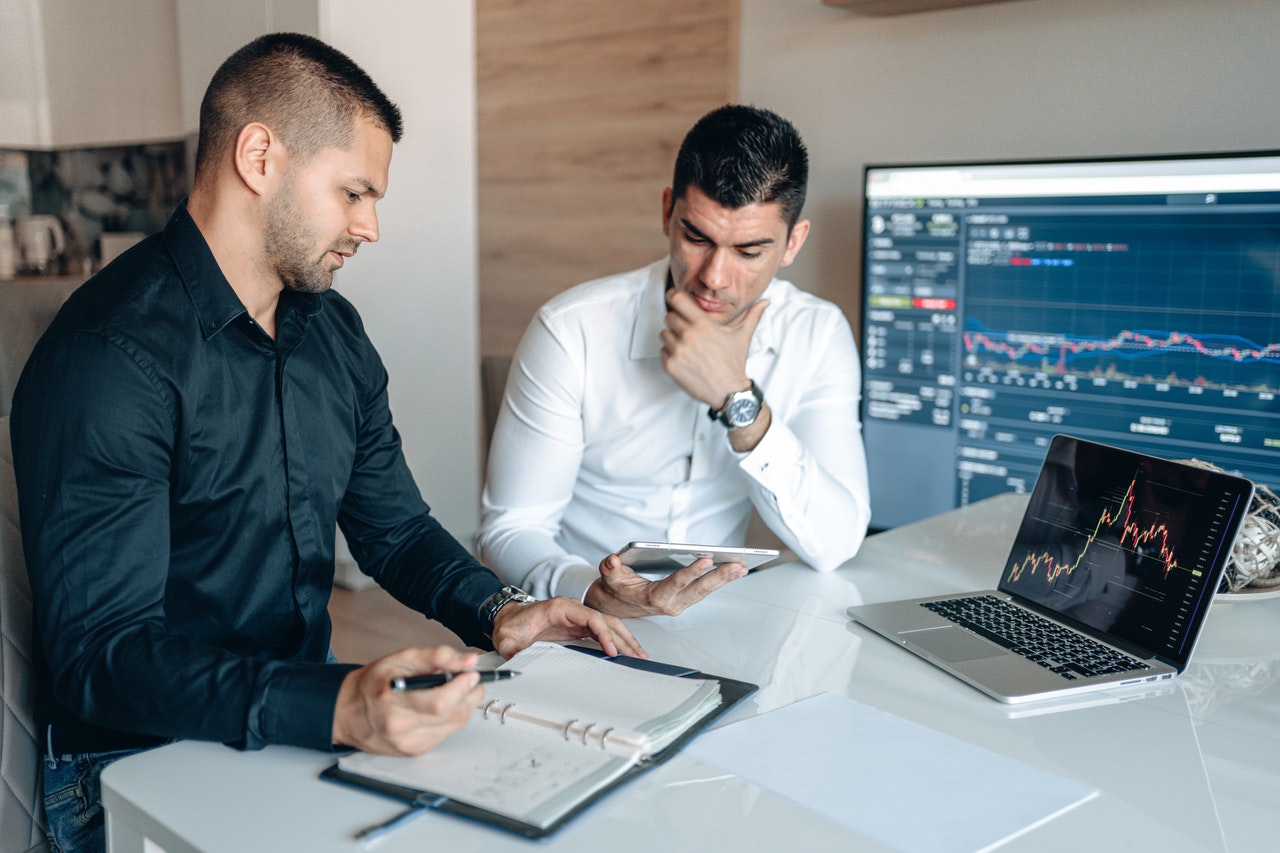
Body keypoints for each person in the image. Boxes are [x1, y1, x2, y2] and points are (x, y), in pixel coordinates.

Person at [9, 33, 641, 853]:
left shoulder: (332, 333)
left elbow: (397, 528)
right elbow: (104, 654)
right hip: (134, 764)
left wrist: (500, 611)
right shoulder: (109, 356)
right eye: (353, 192)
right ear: (259, 156)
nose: (370, 227)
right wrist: (334, 705)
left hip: (297, 725)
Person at [479, 104, 871, 618]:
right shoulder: (572, 329)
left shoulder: (818, 334)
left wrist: (739, 401)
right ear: (667, 212)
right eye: (697, 238)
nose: (714, 277)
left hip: (724, 624)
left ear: (793, 242)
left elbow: (836, 543)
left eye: (749, 251)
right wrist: (591, 591)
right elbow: (510, 530)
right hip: (582, 618)